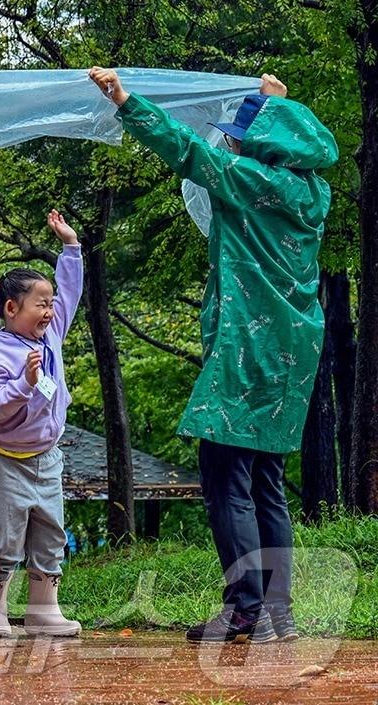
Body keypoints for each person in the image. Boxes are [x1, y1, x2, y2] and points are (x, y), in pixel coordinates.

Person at [89, 67, 339, 643]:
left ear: (259, 144)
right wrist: (276, 102)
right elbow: (291, 133)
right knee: (266, 481)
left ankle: (245, 609)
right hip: (292, 349)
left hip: (247, 346)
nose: (228, 141)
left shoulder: (248, 180)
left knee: (225, 477)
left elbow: (183, 149)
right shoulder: (313, 192)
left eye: (238, 135)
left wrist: (125, 99)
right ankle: (277, 612)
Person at [0, 210, 84, 638]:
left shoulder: (50, 333)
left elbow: (70, 292)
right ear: (11, 308)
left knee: (51, 531)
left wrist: (70, 247)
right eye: (41, 303)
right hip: (7, 459)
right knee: (6, 535)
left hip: (48, 457)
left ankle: (43, 609)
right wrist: (25, 382)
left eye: (51, 303)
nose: (50, 310)